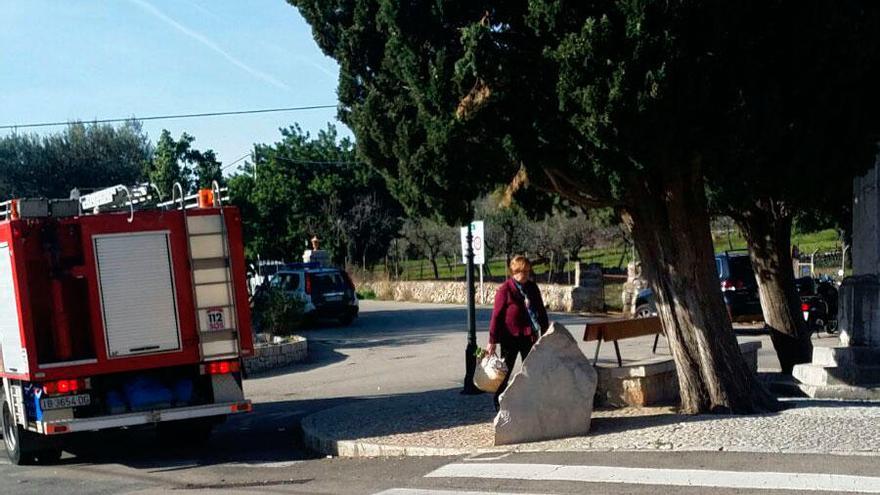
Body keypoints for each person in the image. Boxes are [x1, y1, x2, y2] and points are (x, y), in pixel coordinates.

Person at [486, 255, 550, 409]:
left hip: (530, 335)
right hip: (510, 337)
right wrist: (492, 340)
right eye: (522, 272)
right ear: (514, 272)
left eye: (528, 271)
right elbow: (497, 316)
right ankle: (499, 400)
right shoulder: (505, 290)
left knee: (531, 368)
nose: (526, 275)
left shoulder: (532, 288)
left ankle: (531, 400)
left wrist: (546, 331)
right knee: (505, 371)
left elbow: (540, 310)